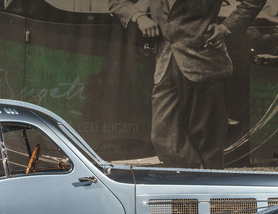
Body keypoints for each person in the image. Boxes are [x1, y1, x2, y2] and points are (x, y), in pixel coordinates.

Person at [109, 0, 266, 169]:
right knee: (163, 137)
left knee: (208, 145)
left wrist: (227, 28)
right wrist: (139, 17)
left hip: (205, 63)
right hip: (166, 63)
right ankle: (194, 178)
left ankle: (203, 187)